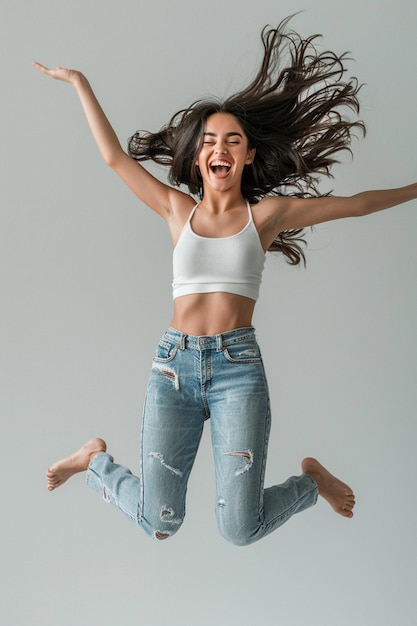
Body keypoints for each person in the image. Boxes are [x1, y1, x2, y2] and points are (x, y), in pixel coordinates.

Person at [33, 18, 416, 545]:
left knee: (240, 529)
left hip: (238, 369)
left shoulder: (267, 216)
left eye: (233, 140)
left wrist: (415, 189)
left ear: (248, 155)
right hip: (174, 367)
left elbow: (355, 206)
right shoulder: (175, 209)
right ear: (198, 156)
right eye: (211, 140)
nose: (221, 148)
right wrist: (80, 82)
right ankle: (94, 459)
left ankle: (312, 482)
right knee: (159, 521)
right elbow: (114, 157)